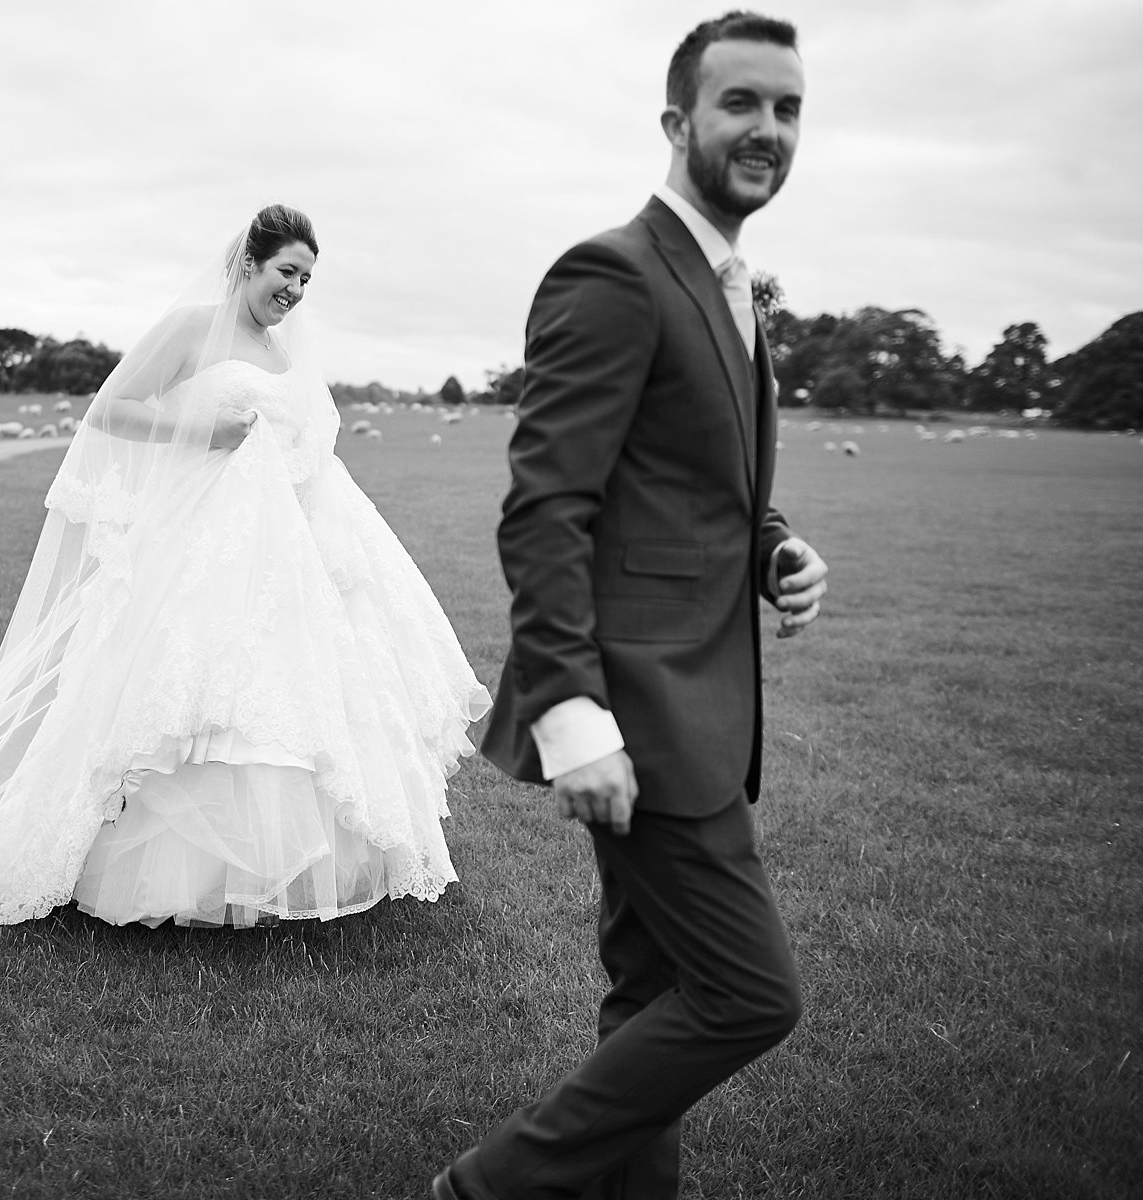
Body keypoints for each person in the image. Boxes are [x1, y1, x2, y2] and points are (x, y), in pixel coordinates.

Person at [0, 205, 491, 929]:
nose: (295, 292)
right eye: (286, 272)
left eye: (306, 280)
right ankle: (167, 872)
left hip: (282, 547)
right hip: (203, 538)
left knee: (283, 697)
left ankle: (275, 874)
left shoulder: (283, 354)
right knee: (183, 698)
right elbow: (110, 410)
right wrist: (202, 429)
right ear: (249, 263)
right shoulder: (192, 328)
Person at [438, 13, 829, 1199]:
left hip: (694, 703)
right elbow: (546, 508)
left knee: (652, 992)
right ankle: (484, 1190)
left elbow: (694, 483)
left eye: (789, 108)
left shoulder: (730, 284)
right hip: (641, 719)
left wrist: (774, 547)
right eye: (741, 104)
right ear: (678, 123)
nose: (767, 130)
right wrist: (573, 718)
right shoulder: (616, 271)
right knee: (752, 994)